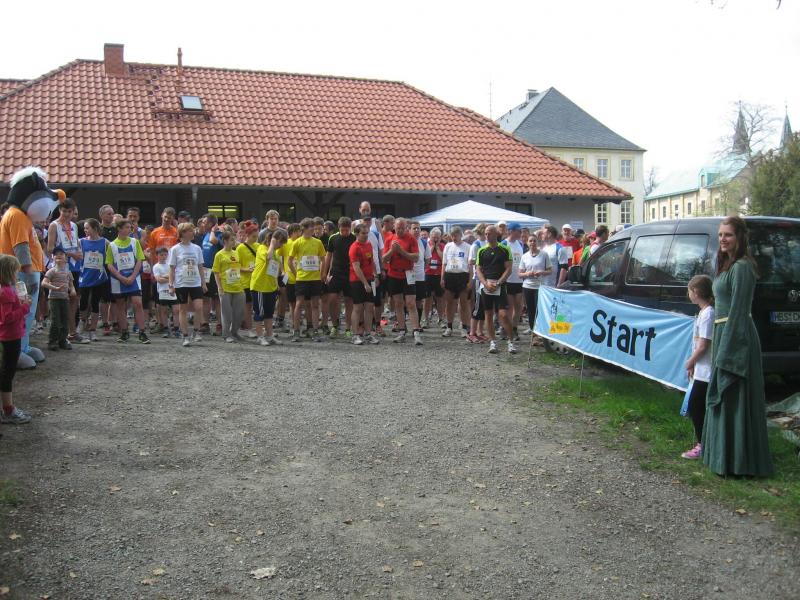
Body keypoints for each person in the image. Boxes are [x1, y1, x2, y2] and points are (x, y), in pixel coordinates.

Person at [702, 216, 773, 477]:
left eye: (728, 235)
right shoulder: (727, 264)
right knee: (727, 398)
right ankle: (723, 458)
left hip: (736, 334)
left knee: (735, 395)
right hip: (724, 332)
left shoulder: (742, 267)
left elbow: (739, 311)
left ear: (740, 237)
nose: (723, 239)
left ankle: (738, 462)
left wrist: (728, 351)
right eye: (721, 234)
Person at [681, 274, 714, 460]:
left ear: (696, 292)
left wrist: (690, 361)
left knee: (696, 405)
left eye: (689, 290)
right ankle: (704, 442)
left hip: (707, 370)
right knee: (696, 405)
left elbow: (704, 345)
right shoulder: (703, 312)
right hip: (701, 369)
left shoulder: (708, 313)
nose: (688, 294)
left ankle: (703, 445)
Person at [47, 198, 87, 343]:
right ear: (60, 210)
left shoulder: (74, 226)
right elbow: (50, 249)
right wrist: (70, 254)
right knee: (61, 300)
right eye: (64, 211)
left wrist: (79, 252)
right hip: (60, 267)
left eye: (70, 211)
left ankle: (72, 332)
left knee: (74, 298)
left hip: (75, 266)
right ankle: (60, 333)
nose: (67, 214)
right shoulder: (54, 225)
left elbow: (76, 243)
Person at [105, 219, 149, 344]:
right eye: (127, 227)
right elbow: (109, 264)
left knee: (137, 303)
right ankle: (124, 332)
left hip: (134, 278)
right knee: (120, 305)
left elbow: (139, 260)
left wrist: (132, 277)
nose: (129, 229)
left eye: (130, 227)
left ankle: (142, 332)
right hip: (118, 280)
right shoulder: (112, 245)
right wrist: (121, 277)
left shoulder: (135, 242)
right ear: (119, 229)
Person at [0, 255, 32, 424]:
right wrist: (25, 307)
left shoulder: (7, 290)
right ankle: (8, 410)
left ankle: (7, 408)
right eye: (15, 271)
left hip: (12, 335)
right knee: (8, 373)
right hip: (10, 336)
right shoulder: (5, 292)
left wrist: (21, 303)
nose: (17, 274)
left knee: (7, 371)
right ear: (8, 272)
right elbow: (7, 318)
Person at [475, 224, 516, 354]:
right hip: (486, 285)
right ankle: (492, 342)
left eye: (490, 233)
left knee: (503, 315)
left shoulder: (505, 249)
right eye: (486, 233)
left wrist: (498, 283)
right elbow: (478, 269)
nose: (487, 236)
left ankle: (511, 341)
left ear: (495, 234)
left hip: (500, 285)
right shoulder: (481, 250)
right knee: (488, 314)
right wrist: (485, 283)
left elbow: (509, 269)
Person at [382, 217, 422, 345]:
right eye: (398, 228)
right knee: (398, 303)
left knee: (411, 303)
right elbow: (384, 259)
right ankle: (401, 331)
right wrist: (392, 250)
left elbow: (416, 257)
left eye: (402, 228)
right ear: (394, 227)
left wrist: (401, 251)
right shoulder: (389, 239)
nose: (399, 230)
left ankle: (416, 331)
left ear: (406, 228)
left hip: (408, 273)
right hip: (394, 274)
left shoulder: (411, 239)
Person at [168, 222, 207, 347]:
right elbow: (172, 268)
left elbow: (200, 267)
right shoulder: (175, 249)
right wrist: (171, 285)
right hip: (181, 283)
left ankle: (196, 331)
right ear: (183, 233)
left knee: (199, 307)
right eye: (190, 230)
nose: (193, 232)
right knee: (183, 309)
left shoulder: (197, 248)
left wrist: (203, 283)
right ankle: (185, 335)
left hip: (195, 282)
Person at [289, 218, 327, 342]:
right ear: (304, 228)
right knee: (299, 304)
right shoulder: (297, 242)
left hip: (315, 279)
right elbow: (290, 261)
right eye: (311, 227)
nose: (313, 229)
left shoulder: (318, 242)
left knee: (315, 305)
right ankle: (296, 331)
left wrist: (322, 273)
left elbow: (323, 259)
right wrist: (296, 274)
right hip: (302, 279)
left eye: (314, 227)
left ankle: (315, 331)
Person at [250, 228, 288, 346]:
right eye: (280, 242)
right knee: (259, 313)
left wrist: (277, 284)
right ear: (274, 240)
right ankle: (260, 336)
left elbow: (275, 270)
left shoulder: (275, 253)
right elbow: (268, 257)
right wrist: (272, 243)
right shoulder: (262, 249)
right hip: (260, 287)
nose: (281, 246)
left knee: (269, 313)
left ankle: (270, 336)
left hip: (271, 287)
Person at [77, 219, 109, 341]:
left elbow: (112, 255)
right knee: (84, 301)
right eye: (84, 228)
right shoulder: (81, 242)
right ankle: (82, 323)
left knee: (95, 302)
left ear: (95, 228)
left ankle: (93, 330)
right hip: (85, 276)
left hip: (99, 277)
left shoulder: (105, 242)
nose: (85, 230)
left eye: (87, 228)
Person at [323, 217, 356, 338]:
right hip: (335, 272)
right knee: (332, 299)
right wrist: (325, 272)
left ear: (350, 228)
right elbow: (328, 256)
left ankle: (348, 327)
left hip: (350, 272)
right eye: (342, 230)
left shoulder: (354, 238)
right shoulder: (333, 238)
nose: (345, 233)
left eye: (347, 230)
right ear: (339, 227)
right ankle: (335, 326)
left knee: (349, 301)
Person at [348, 223, 379, 345]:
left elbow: (372, 262)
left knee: (369, 307)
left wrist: (375, 275)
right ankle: (355, 334)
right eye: (363, 233)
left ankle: (368, 333)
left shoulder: (368, 244)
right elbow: (356, 267)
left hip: (369, 279)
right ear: (356, 234)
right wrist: (365, 283)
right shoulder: (354, 247)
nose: (366, 235)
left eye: (367, 233)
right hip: (357, 281)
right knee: (358, 308)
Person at [212, 230, 245, 343]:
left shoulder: (236, 253)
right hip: (225, 287)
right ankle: (226, 334)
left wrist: (247, 269)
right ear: (225, 241)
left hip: (238, 287)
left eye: (234, 239)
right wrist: (219, 287)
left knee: (239, 313)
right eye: (231, 240)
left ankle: (234, 332)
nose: (234, 241)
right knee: (227, 314)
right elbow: (216, 272)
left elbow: (238, 268)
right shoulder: (219, 255)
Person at [42, 246, 77, 351]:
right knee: (55, 321)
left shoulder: (68, 272)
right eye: (56, 254)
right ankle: (52, 341)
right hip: (54, 299)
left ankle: (62, 341)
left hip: (65, 299)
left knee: (65, 320)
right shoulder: (51, 271)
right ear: (52, 257)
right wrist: (55, 288)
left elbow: (71, 285)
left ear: (66, 257)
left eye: (61, 254)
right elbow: (44, 283)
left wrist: (73, 290)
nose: (58, 256)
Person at [440, 226, 472, 339]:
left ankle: (464, 327)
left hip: (463, 275)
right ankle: (449, 327)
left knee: (463, 303)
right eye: (452, 235)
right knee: (449, 303)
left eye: (456, 235)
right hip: (450, 275)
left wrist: (470, 280)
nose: (454, 237)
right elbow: (444, 263)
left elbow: (471, 265)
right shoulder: (448, 246)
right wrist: (442, 278)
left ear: (460, 235)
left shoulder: (468, 247)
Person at [518, 235, 551, 340]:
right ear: (527, 243)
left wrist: (541, 272)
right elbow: (520, 274)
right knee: (530, 310)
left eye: (534, 241)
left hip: (539, 286)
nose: (532, 243)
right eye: (530, 241)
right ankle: (533, 332)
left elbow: (550, 270)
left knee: (539, 310)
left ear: (538, 242)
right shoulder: (524, 256)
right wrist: (527, 274)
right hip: (527, 286)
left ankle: (541, 332)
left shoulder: (544, 254)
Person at [198, 215, 222, 335]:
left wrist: (213, 231)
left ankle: (220, 325)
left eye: (205, 222)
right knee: (205, 298)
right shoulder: (205, 235)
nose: (202, 224)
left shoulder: (219, 234)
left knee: (217, 299)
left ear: (211, 224)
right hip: (205, 271)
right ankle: (205, 324)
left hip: (216, 271)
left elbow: (214, 241)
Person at [500, 223, 525, 340]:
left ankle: (514, 328)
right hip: (508, 280)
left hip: (519, 280)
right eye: (518, 231)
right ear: (511, 231)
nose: (520, 233)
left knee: (518, 306)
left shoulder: (520, 243)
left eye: (520, 231)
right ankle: (506, 329)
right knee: (509, 307)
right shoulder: (504, 244)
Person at [236, 222, 260, 338]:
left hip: (258, 281)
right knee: (248, 306)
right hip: (245, 282)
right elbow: (236, 266)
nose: (255, 239)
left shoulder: (258, 246)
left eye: (257, 236)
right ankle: (249, 329)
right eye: (253, 236)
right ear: (247, 235)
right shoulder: (240, 248)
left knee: (258, 306)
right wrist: (247, 269)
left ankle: (259, 328)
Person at [151, 246, 177, 338]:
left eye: (165, 255)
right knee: (164, 311)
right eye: (161, 255)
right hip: (162, 291)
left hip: (173, 289)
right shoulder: (156, 266)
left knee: (176, 310)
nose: (163, 257)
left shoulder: (170, 265)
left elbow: (175, 275)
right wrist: (170, 277)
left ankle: (176, 329)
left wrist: (165, 276)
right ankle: (166, 328)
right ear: (157, 256)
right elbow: (159, 280)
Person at [423, 227, 445, 327]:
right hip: (428, 274)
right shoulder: (426, 245)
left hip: (439, 274)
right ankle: (426, 319)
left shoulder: (443, 246)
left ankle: (441, 319)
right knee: (427, 298)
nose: (435, 239)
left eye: (437, 238)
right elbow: (426, 257)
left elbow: (444, 259)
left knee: (440, 298)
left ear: (440, 238)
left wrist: (437, 249)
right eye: (433, 237)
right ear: (430, 237)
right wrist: (432, 248)